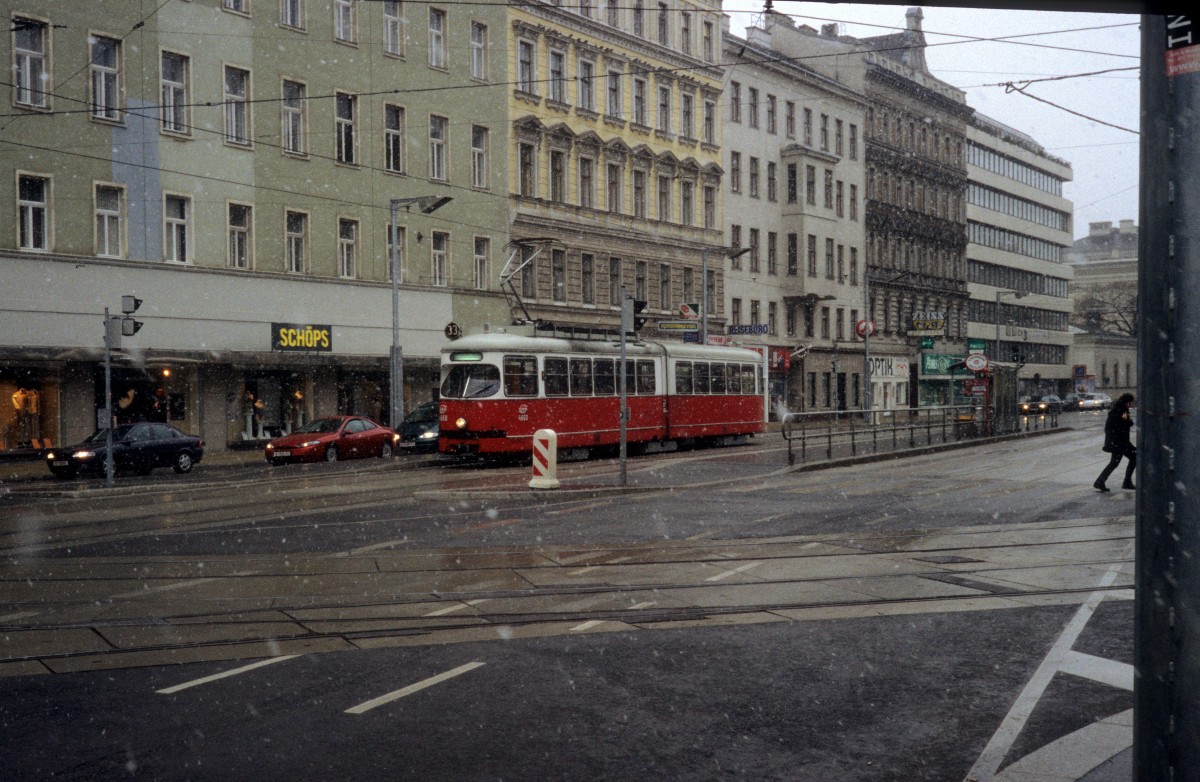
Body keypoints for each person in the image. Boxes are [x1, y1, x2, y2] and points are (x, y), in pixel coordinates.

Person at [1094, 392, 1136, 492]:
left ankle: (1101, 481)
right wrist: (1127, 421)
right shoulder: (1119, 411)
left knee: (1117, 462)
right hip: (1119, 442)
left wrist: (1127, 421)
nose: (1131, 404)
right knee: (1129, 458)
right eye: (1130, 402)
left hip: (1120, 441)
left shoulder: (1121, 409)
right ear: (1127, 402)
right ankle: (1125, 482)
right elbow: (1119, 425)